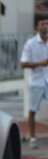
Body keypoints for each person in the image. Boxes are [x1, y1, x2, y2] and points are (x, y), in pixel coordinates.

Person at [20, 17, 48, 149]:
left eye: (47, 23)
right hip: (36, 82)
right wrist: (39, 63)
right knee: (32, 110)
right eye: (43, 24)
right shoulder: (31, 43)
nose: (45, 26)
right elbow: (23, 63)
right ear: (37, 27)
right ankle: (32, 138)